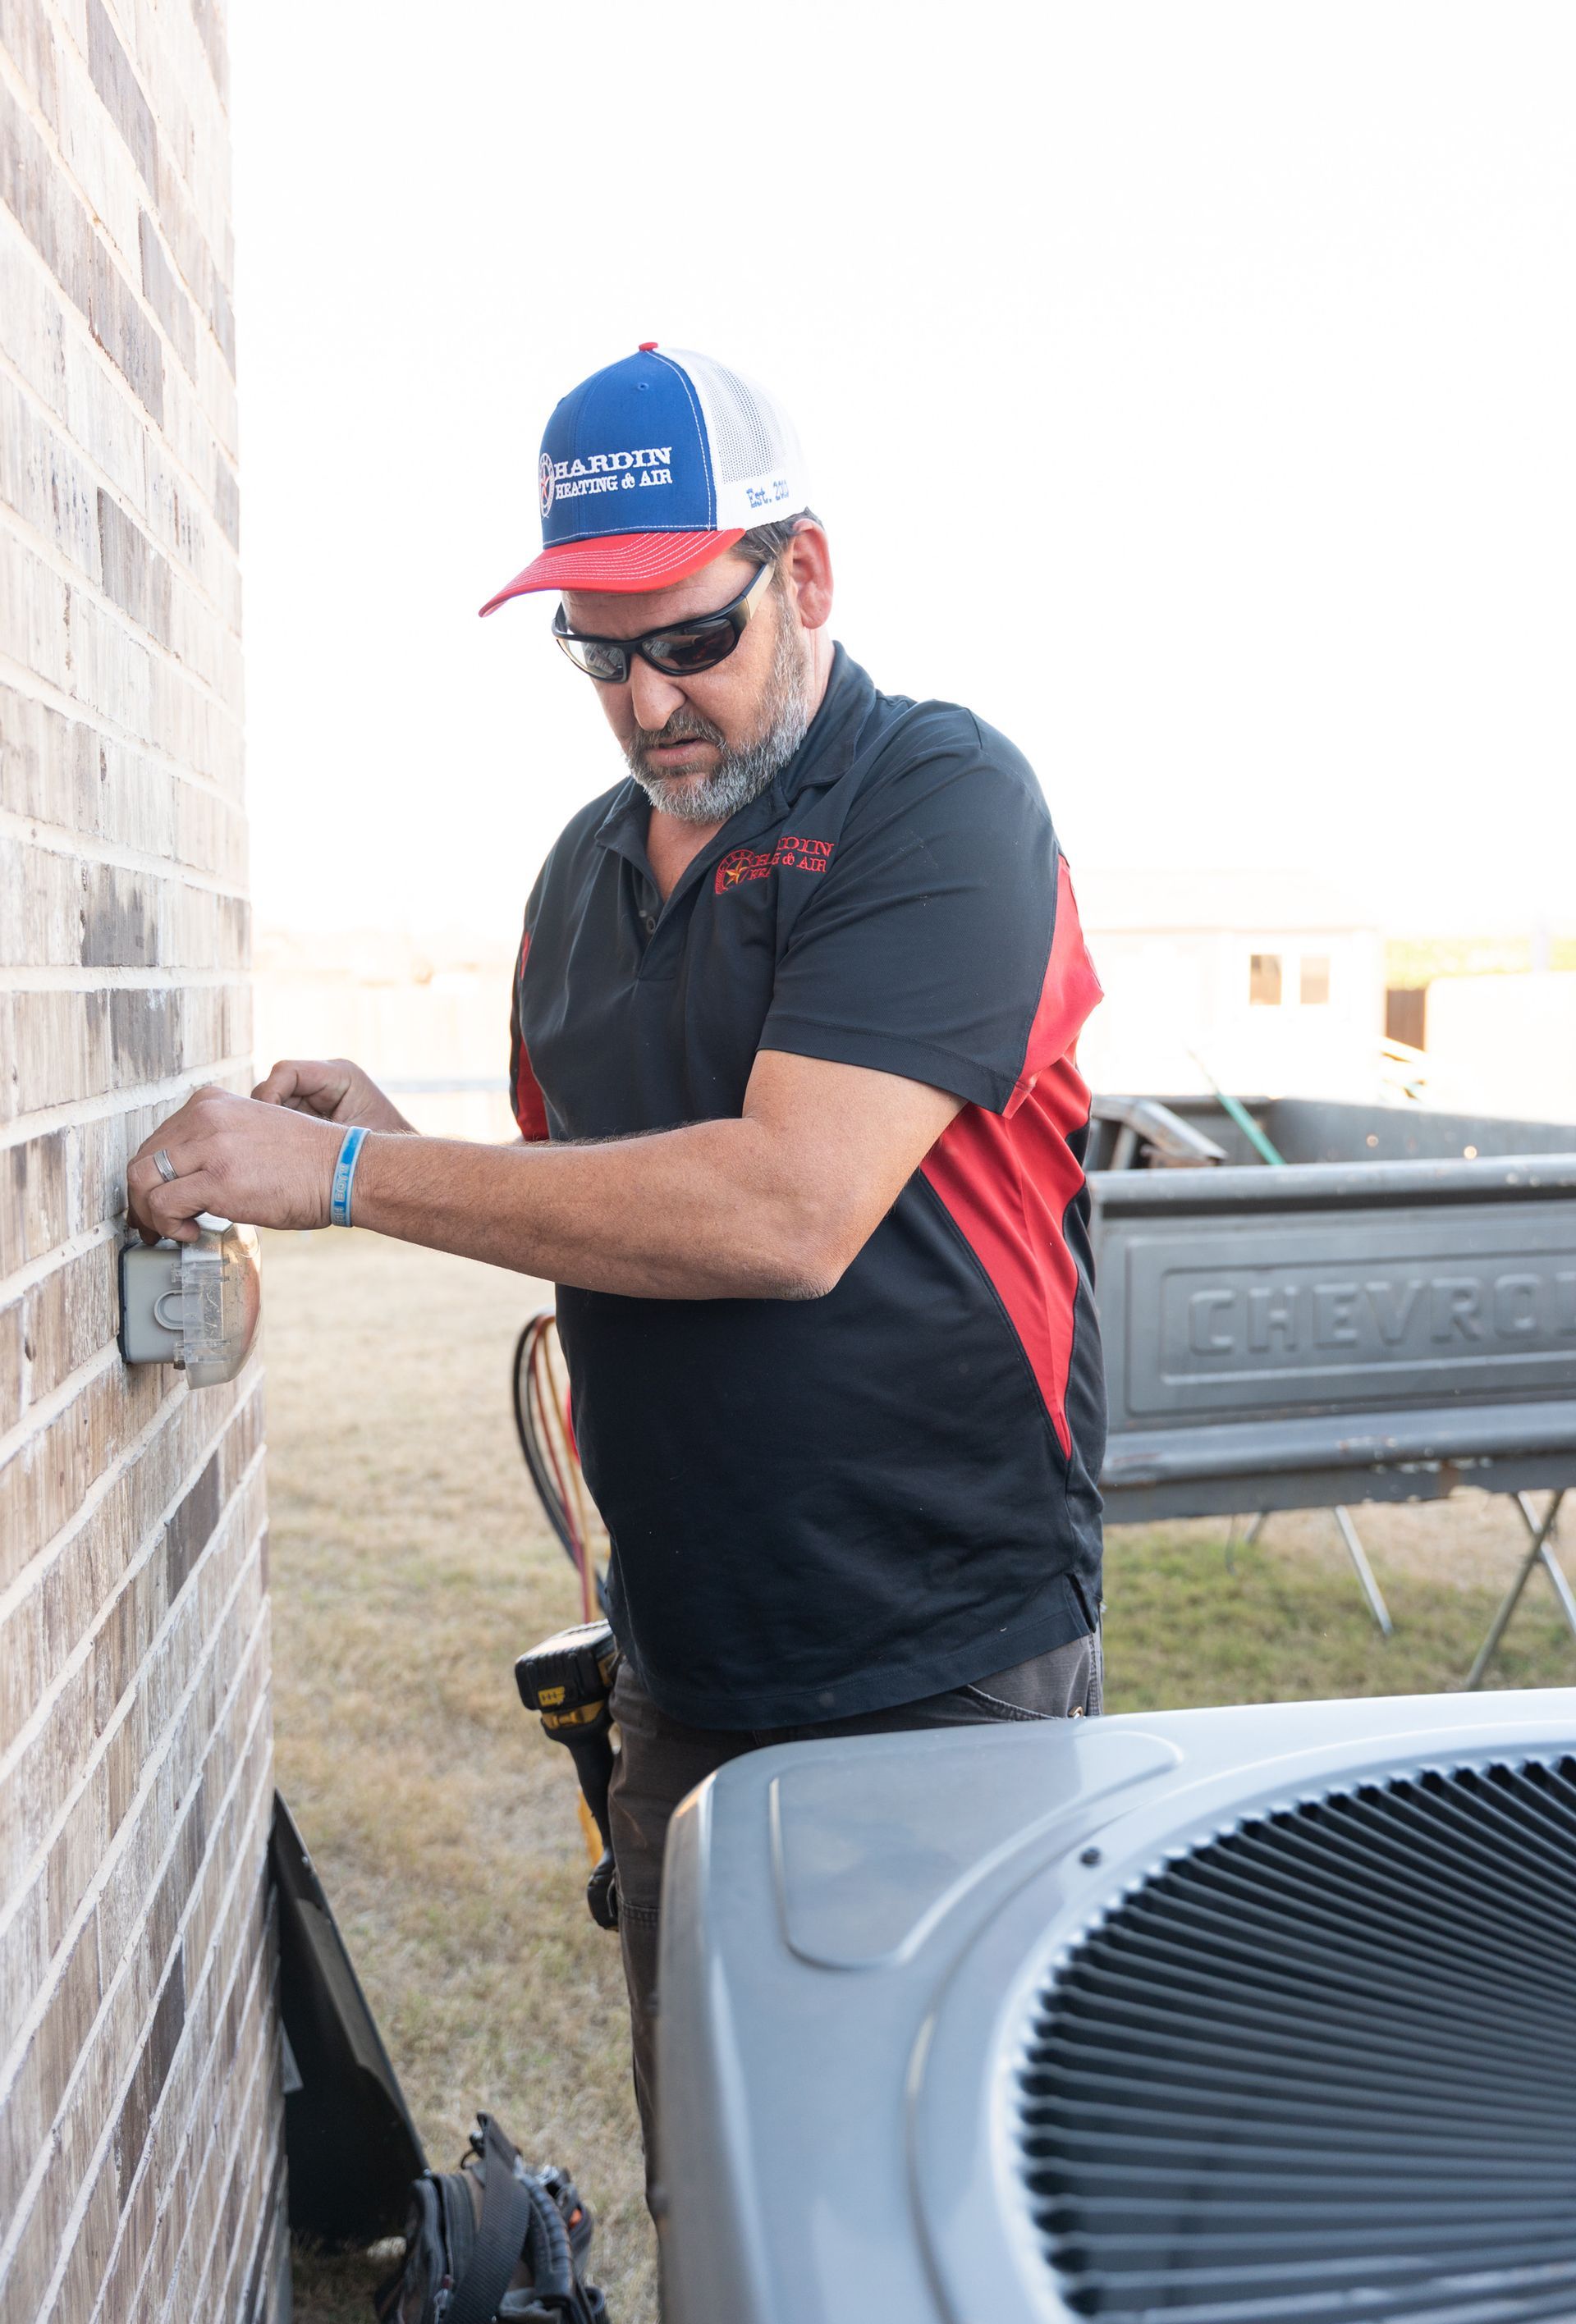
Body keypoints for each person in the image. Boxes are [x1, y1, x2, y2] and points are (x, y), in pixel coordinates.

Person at [125, 344, 1108, 2186]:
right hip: (685, 1658)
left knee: (934, 2195)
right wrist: (406, 1148)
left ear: (804, 576)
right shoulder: (583, 876)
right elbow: (612, 1198)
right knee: (722, 2187)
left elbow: (780, 1210)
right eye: (597, 649)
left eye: (689, 637)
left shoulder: (943, 801)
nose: (649, 697)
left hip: (941, 1663)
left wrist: (347, 1178)